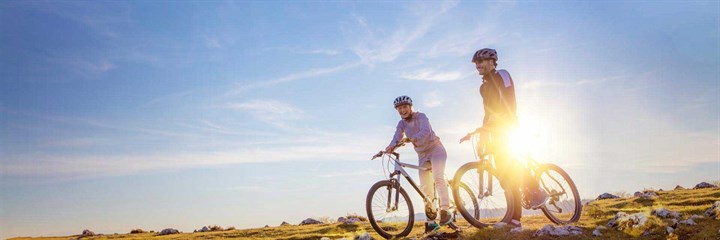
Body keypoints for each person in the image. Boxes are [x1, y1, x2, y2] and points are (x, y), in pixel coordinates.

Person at [459, 48, 548, 228]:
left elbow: (508, 101)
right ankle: (513, 217)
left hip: (508, 126)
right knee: (505, 175)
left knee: (512, 167)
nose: (478, 65)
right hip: (494, 129)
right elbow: (487, 112)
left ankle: (535, 191)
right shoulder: (483, 87)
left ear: (492, 61)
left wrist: (498, 121)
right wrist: (481, 132)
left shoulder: (502, 75)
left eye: (481, 61)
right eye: (476, 63)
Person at [386, 95, 453, 233]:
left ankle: (445, 210)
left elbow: (425, 131)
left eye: (405, 107)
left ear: (410, 107)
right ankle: (431, 223)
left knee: (437, 177)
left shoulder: (421, 116)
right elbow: (396, 137)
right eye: (399, 108)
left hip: (436, 149)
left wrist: (411, 139)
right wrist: (390, 147)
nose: (402, 110)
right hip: (422, 155)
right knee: (425, 189)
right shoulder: (401, 124)